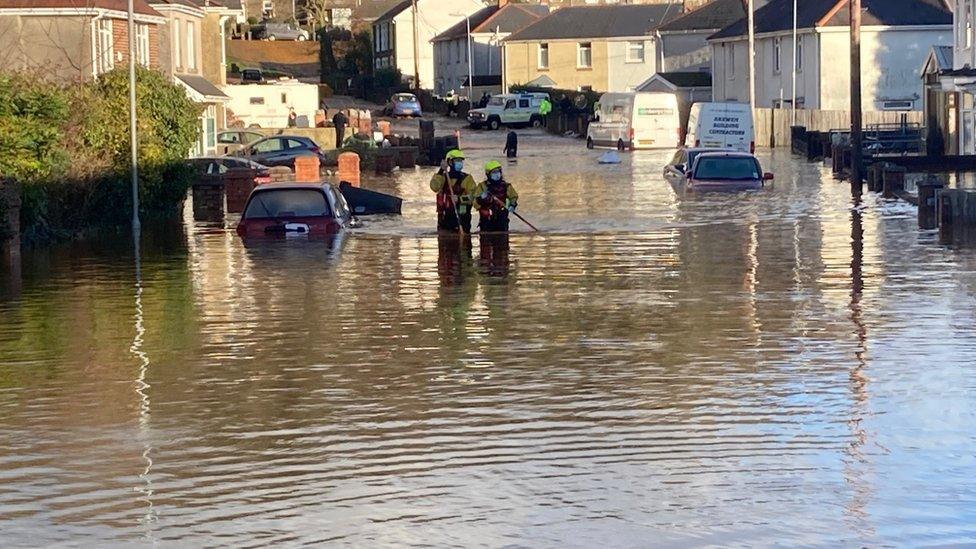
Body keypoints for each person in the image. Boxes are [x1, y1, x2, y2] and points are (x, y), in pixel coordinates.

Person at [430, 149, 477, 233]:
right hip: (445, 218)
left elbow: (473, 197)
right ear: (450, 163)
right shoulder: (442, 177)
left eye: (461, 161)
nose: (460, 163)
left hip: (462, 216)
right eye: (457, 161)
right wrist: (441, 170)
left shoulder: (467, 178)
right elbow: (434, 187)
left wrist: (459, 199)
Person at [475, 160, 519, 233]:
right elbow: (475, 202)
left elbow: (513, 197)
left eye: (498, 171)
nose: (497, 174)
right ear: (488, 174)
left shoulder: (506, 186)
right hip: (487, 219)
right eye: (494, 172)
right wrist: (481, 199)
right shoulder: (482, 186)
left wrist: (512, 205)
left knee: (503, 240)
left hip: (501, 218)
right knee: (486, 240)